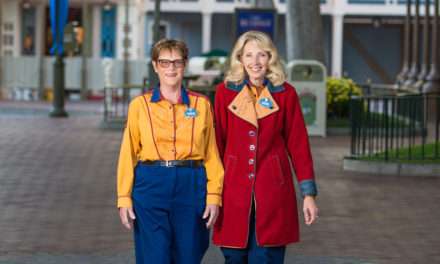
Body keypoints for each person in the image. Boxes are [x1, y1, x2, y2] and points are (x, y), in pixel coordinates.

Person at [212, 30, 319, 263]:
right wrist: (211, 192)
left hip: (273, 191)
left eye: (261, 55)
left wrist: (308, 194)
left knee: (268, 254)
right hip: (232, 190)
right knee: (234, 254)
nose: (255, 62)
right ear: (239, 59)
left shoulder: (286, 94)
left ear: (270, 58)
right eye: (248, 55)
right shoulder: (223, 93)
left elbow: (299, 146)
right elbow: (216, 146)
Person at [117, 39, 224, 264]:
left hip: (191, 184)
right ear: (155, 66)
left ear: (185, 65)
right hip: (151, 184)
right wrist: (124, 197)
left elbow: (211, 153)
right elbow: (128, 153)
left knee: (189, 254)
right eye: (164, 62)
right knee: (154, 256)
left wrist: (214, 195)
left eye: (177, 62)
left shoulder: (201, 105)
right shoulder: (139, 105)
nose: (171, 68)